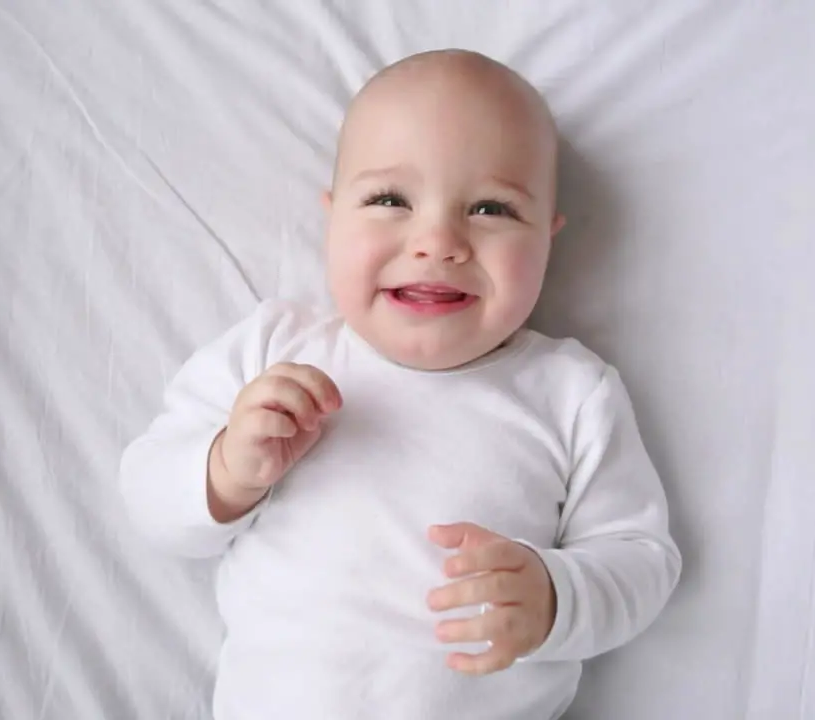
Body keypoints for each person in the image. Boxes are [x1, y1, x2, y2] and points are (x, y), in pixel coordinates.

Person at [118, 48, 681, 719]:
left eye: (493, 208)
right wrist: (226, 471)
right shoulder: (274, 351)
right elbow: (148, 499)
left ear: (548, 238)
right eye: (389, 199)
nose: (438, 241)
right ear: (333, 217)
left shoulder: (570, 392)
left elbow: (642, 560)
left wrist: (558, 597)